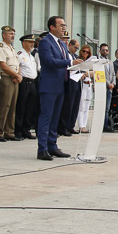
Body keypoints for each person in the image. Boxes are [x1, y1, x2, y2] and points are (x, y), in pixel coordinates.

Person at [35, 16, 82, 161]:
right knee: (46, 117)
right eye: (61, 25)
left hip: (61, 86)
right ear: (52, 27)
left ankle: (52, 145)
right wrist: (70, 61)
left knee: (55, 118)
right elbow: (49, 61)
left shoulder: (61, 44)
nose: (64, 28)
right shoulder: (45, 42)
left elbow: (65, 63)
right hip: (49, 86)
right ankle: (42, 148)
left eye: (64, 25)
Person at [0, 25, 22, 141]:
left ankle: (9, 132)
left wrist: (18, 75)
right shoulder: (1, 48)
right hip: (6, 78)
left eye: (13, 34)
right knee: (4, 105)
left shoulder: (13, 49)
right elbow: (3, 65)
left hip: (14, 79)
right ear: (4, 35)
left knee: (12, 107)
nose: (13, 36)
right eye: (10, 34)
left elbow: (17, 65)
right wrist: (16, 75)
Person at [14, 34, 38, 139]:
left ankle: (26, 129)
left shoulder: (31, 56)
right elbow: (17, 67)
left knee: (30, 108)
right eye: (30, 42)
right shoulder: (19, 54)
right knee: (21, 107)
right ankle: (18, 130)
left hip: (32, 82)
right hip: (24, 82)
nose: (32, 44)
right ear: (24, 43)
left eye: (33, 42)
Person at [58, 36, 82, 136]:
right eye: (75, 48)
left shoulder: (75, 56)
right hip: (69, 81)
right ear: (70, 45)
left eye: (77, 48)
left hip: (76, 81)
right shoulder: (66, 55)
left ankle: (70, 125)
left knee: (75, 106)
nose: (76, 50)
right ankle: (64, 127)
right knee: (68, 106)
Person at [75, 45, 94, 133]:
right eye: (84, 51)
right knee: (81, 106)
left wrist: (88, 73)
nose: (85, 53)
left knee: (87, 106)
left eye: (87, 52)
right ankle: (81, 125)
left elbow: (93, 73)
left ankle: (85, 125)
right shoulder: (78, 60)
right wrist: (87, 73)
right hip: (82, 84)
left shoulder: (90, 62)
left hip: (89, 84)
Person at [99, 44, 115, 131]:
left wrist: (113, 84)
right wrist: (108, 83)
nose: (105, 52)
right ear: (100, 51)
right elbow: (101, 74)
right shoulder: (98, 61)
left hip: (110, 88)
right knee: (102, 107)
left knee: (107, 108)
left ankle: (106, 124)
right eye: (103, 50)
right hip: (103, 87)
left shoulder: (110, 62)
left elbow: (113, 74)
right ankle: (102, 125)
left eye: (106, 50)